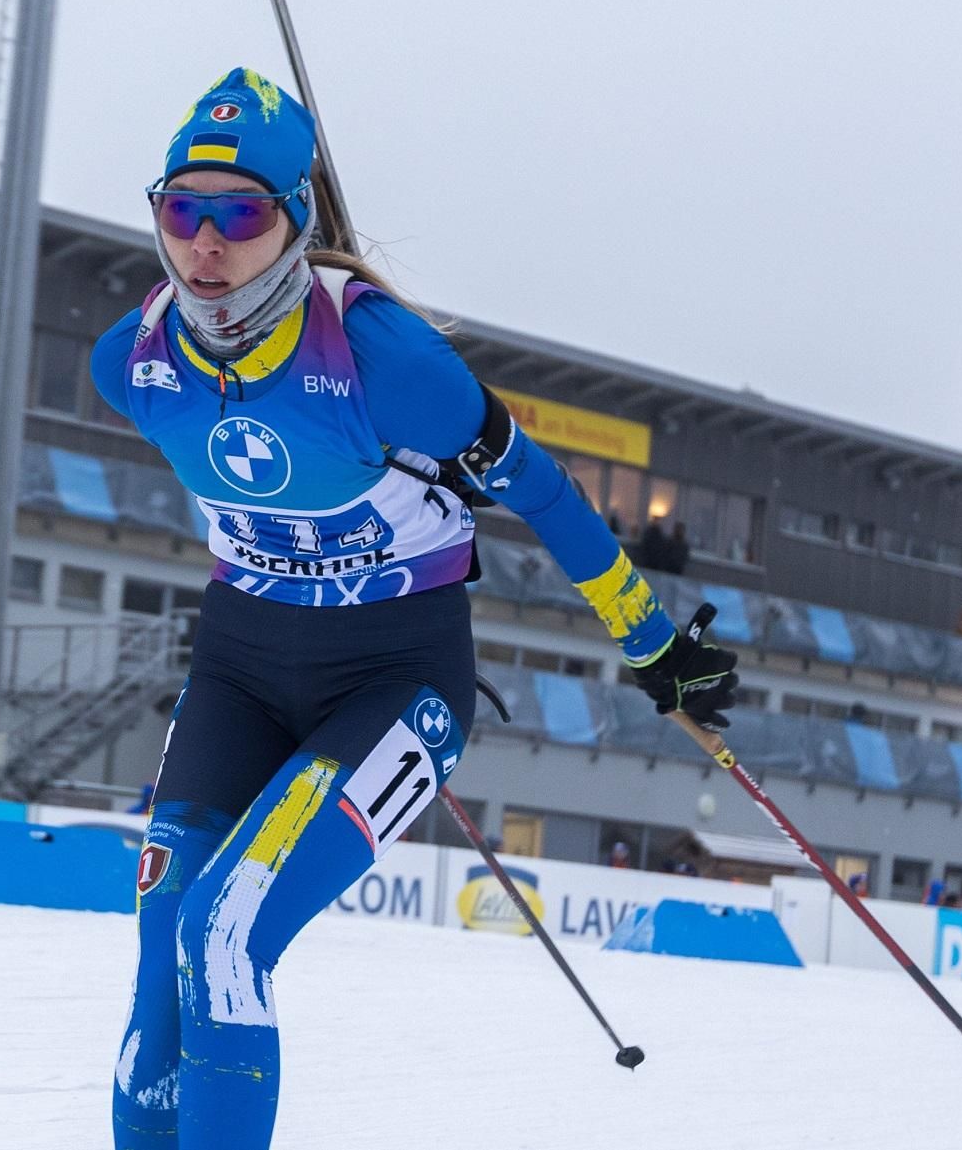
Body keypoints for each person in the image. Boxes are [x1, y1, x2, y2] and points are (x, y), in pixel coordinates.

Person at [99, 70, 736, 1149]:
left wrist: (650, 638)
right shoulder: (135, 363)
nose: (206, 245)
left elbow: (538, 487)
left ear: (294, 222)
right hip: (240, 671)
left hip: (393, 686)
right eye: (181, 211)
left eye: (241, 213)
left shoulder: (385, 359)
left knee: (224, 934)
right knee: (163, 950)